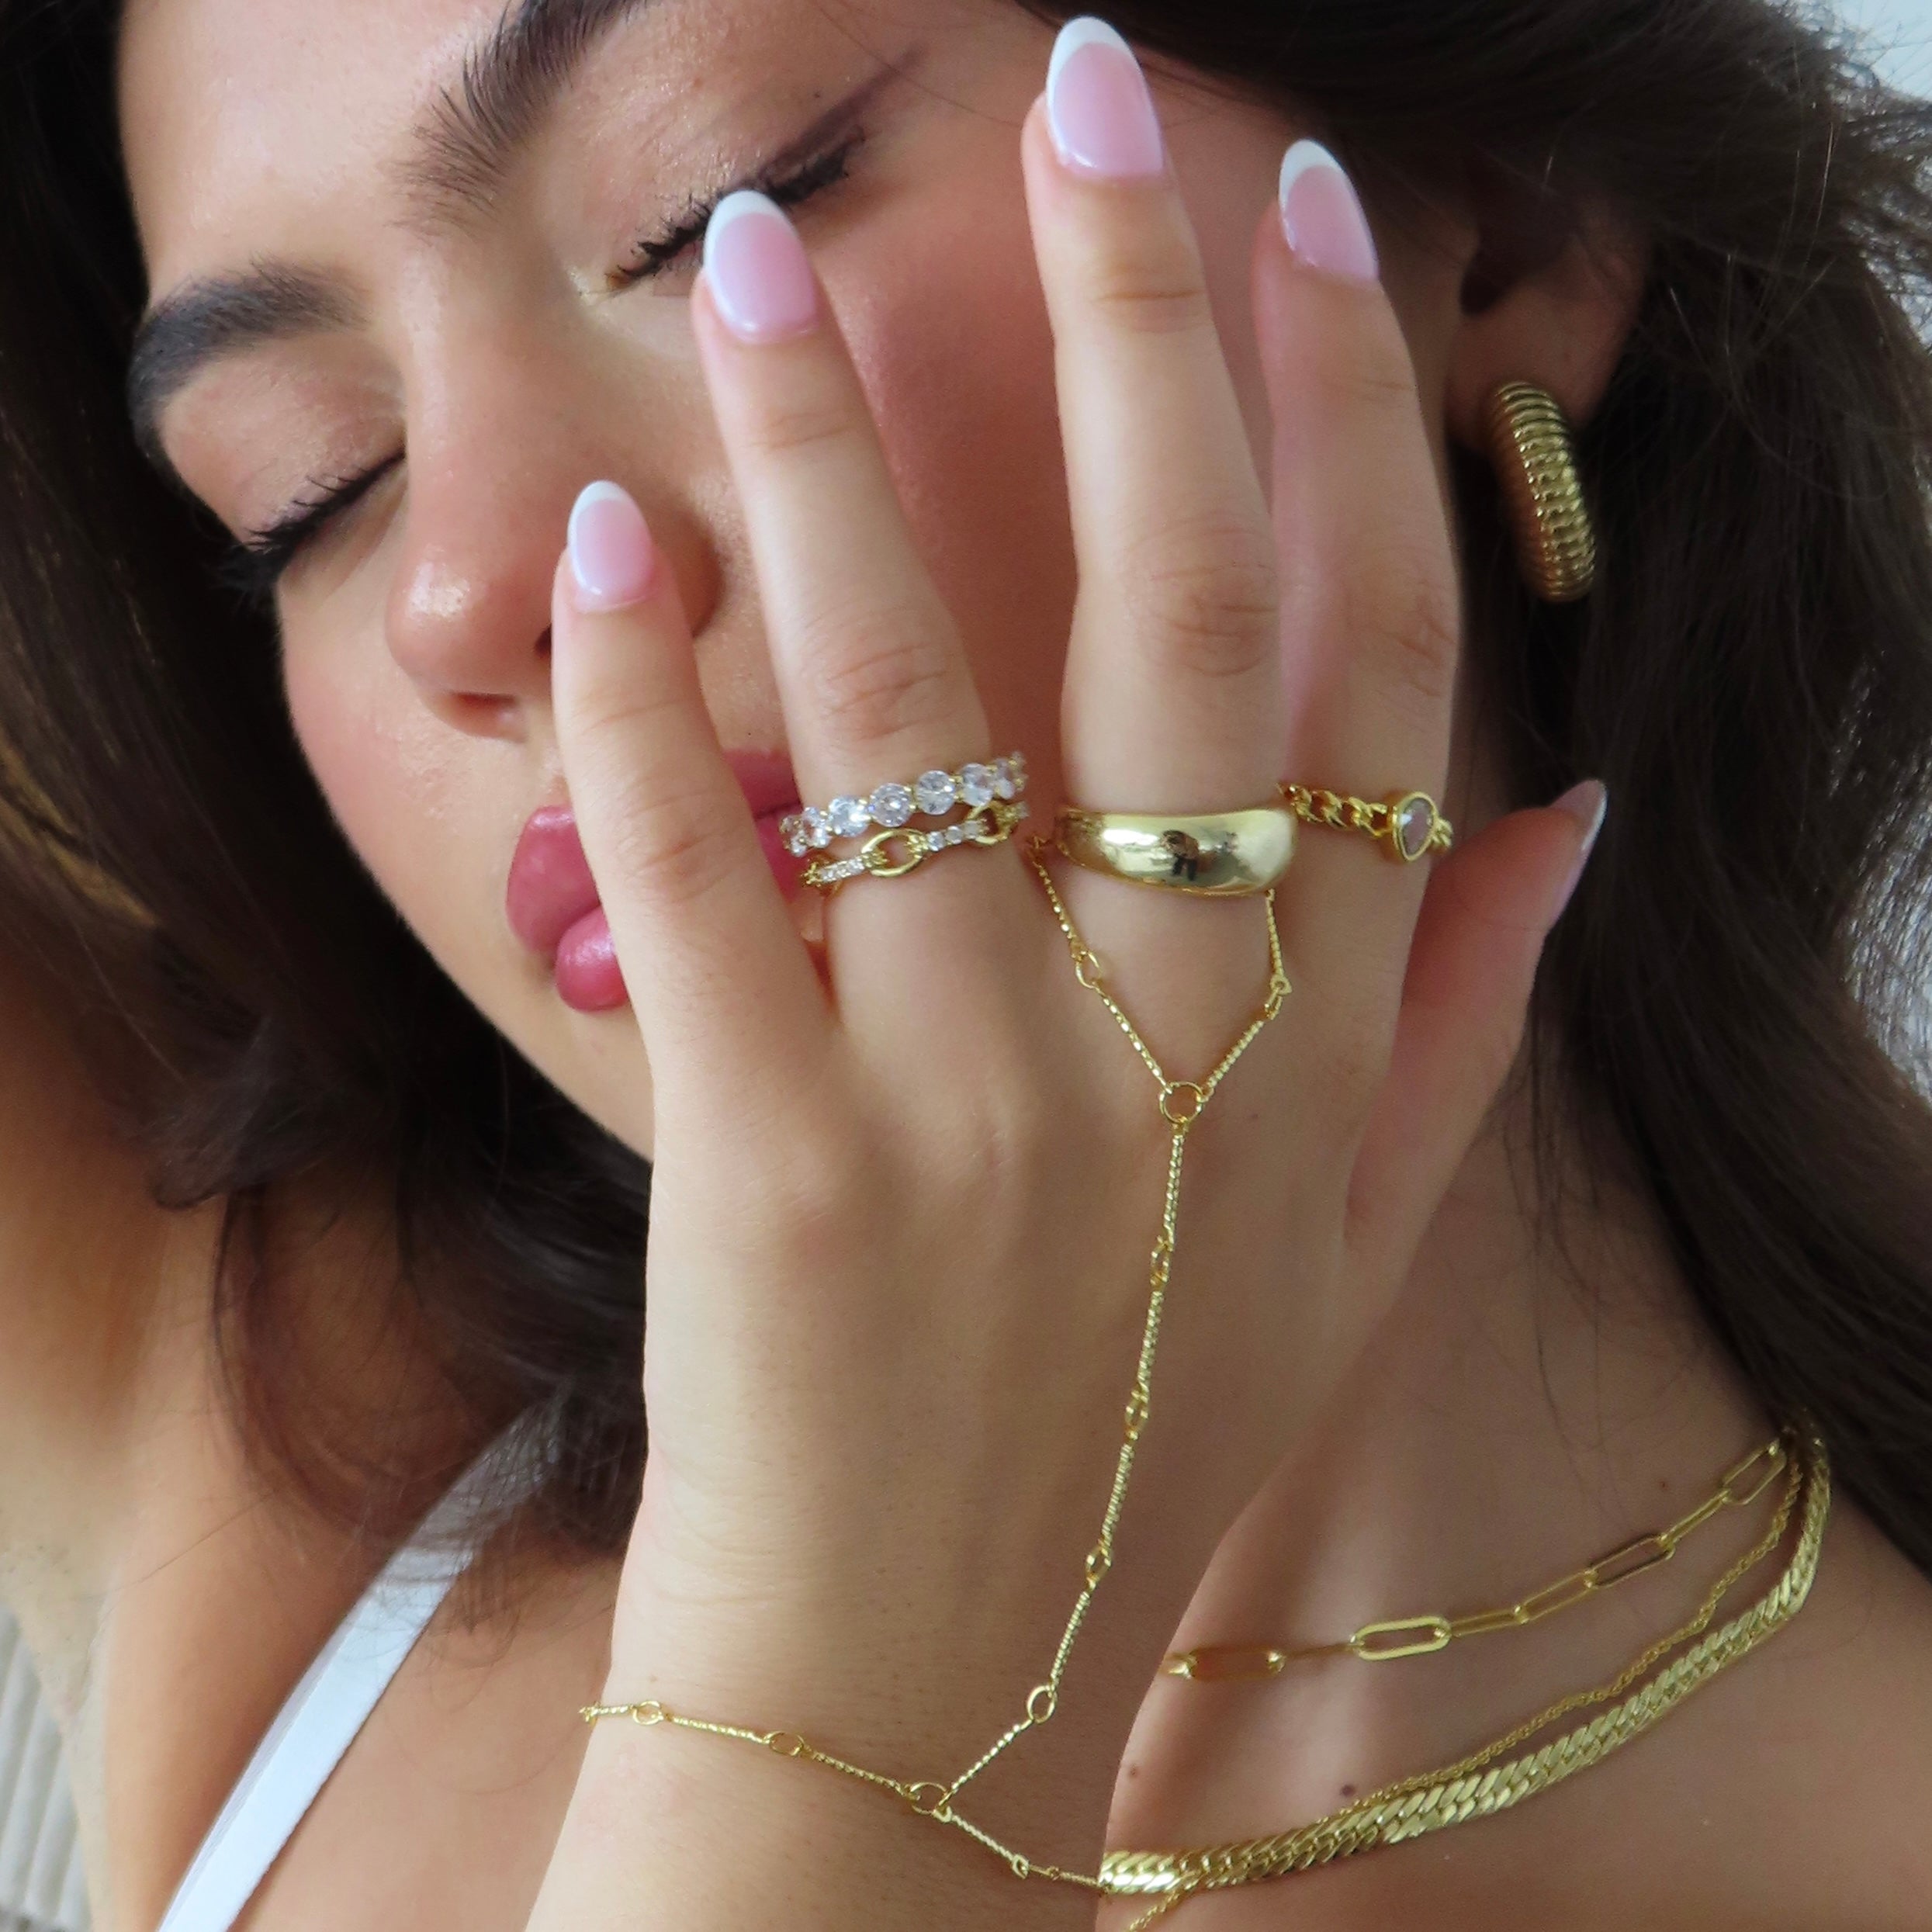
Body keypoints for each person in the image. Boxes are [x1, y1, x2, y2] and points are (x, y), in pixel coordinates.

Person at [2, 1, 1931, 1927]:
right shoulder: (273, 1413)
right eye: (312, 488)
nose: (459, 591)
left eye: (728, 203)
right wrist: (839, 1695)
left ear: (1507, 225)